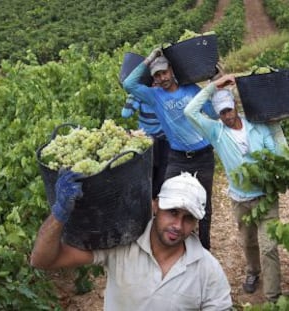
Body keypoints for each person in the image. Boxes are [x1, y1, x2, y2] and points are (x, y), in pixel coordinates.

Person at [30, 170, 233, 310]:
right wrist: (59, 214)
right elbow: (42, 260)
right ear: (155, 206)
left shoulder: (208, 270)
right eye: (172, 212)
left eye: (188, 218)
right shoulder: (121, 245)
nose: (178, 226)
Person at [184, 73, 286, 302]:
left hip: (266, 197)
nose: (227, 116)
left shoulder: (256, 125)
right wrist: (214, 86)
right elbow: (190, 111)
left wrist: (276, 130)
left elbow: (278, 153)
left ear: (235, 107)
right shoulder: (216, 132)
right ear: (217, 115)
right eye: (222, 113)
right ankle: (253, 272)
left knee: (268, 247)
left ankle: (272, 296)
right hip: (240, 199)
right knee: (248, 241)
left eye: (229, 110)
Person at [122, 48, 217, 250]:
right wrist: (149, 59)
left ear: (171, 70)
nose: (163, 77)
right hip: (177, 157)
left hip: (203, 155)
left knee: (204, 205)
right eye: (157, 75)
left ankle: (204, 249)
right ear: (154, 78)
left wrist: (215, 84)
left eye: (164, 72)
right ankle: (171, 246)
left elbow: (213, 113)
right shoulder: (153, 96)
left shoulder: (191, 89)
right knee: (167, 201)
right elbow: (129, 84)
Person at [121, 93, 169, 199]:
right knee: (148, 175)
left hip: (166, 141)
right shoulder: (141, 93)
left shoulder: (166, 92)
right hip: (148, 141)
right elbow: (125, 113)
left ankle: (156, 205)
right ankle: (148, 204)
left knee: (162, 177)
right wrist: (134, 94)